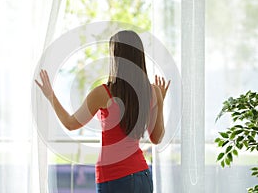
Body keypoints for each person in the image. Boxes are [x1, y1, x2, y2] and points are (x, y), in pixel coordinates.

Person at [35, 30, 170, 193]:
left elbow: (70, 124)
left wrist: (51, 96)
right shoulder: (152, 92)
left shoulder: (103, 93)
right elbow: (157, 138)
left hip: (115, 178)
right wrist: (160, 101)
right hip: (142, 175)